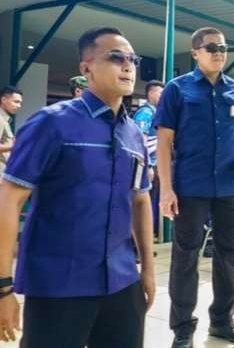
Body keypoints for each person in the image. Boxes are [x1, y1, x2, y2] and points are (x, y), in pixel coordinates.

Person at [0, 27, 155, 346]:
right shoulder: (51, 124)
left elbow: (140, 201)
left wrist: (148, 272)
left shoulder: (134, 135)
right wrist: (3, 287)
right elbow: (9, 200)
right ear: (86, 69)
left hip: (122, 282)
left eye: (132, 59)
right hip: (59, 284)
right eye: (116, 57)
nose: (128, 65)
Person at [155, 27, 234, 347]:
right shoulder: (177, 90)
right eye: (211, 47)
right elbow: (164, 144)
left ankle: (222, 321)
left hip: (231, 185)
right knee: (185, 257)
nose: (219, 52)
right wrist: (166, 189)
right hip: (190, 185)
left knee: (228, 255)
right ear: (195, 52)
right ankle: (183, 328)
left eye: (223, 47)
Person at [134, 80, 165, 235]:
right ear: (151, 93)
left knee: (151, 204)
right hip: (145, 166)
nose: (163, 96)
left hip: (153, 165)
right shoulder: (146, 113)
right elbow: (140, 141)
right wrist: (147, 166)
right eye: (160, 92)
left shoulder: (155, 112)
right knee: (143, 204)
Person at [0, 86, 22, 180]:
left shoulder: (5, 120)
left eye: (20, 103)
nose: (19, 106)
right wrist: (14, 145)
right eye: (16, 102)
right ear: (4, 99)